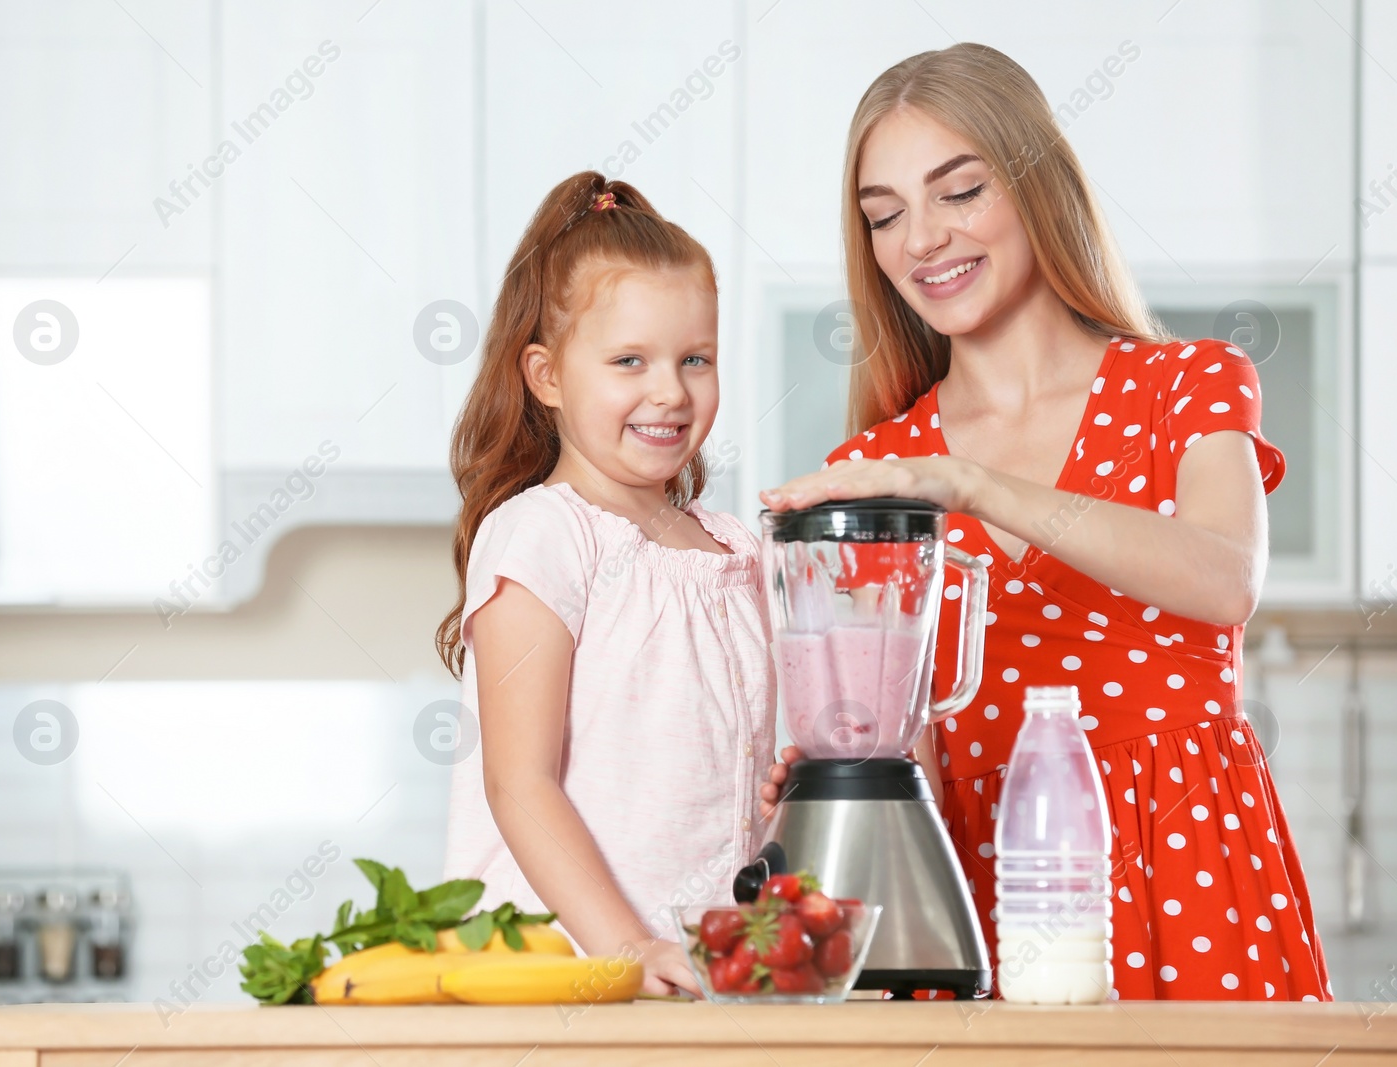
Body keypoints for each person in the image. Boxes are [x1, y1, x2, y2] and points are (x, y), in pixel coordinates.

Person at [759, 44, 1331, 1002]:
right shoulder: (882, 469)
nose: (923, 240)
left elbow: (1223, 574)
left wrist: (973, 484)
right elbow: (924, 759)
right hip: (984, 899)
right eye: (886, 215)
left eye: (960, 191)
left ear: (1036, 182)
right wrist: (848, 795)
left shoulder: (1185, 387)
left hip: (1189, 874)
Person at [437, 171, 775, 996]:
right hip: (568, 988)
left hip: (701, 989)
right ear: (548, 377)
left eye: (696, 359)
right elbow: (520, 782)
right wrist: (630, 947)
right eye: (630, 360)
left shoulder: (738, 551)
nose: (670, 391)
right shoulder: (543, 535)